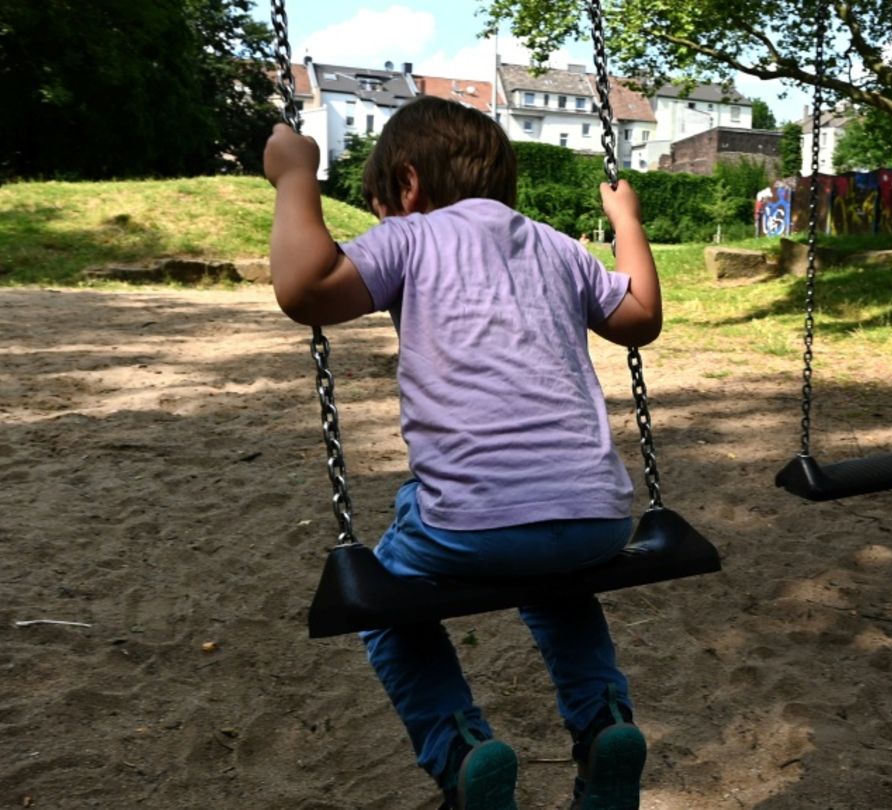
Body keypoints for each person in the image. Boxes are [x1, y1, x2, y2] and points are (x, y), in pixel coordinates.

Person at [263, 96, 661, 810]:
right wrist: (626, 223)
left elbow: (306, 287)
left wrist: (296, 178)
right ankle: (604, 723)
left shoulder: (410, 236)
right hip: (598, 517)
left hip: (470, 525)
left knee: (386, 602)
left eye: (383, 203)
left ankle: (462, 751)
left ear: (407, 187)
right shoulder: (558, 246)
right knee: (560, 587)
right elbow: (639, 319)